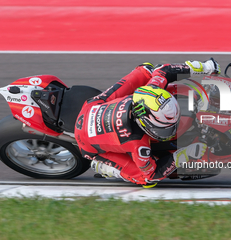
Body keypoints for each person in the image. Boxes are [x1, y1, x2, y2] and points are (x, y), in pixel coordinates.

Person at [74, 58, 221, 187]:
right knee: (145, 180)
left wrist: (204, 67)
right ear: (146, 124)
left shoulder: (151, 90)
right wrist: (184, 154)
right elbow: (153, 174)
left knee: (146, 69)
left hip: (92, 106)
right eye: (166, 128)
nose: (173, 130)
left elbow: (165, 70)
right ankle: (103, 167)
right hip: (89, 145)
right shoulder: (137, 144)